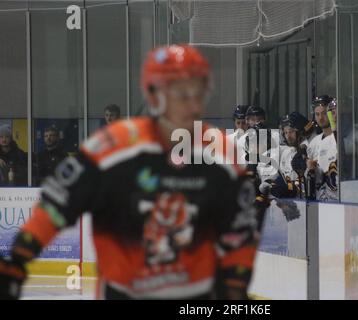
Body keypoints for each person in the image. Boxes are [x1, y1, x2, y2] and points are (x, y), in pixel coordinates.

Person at [0, 45, 260, 300]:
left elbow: (240, 230)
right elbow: (57, 203)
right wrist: (19, 258)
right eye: (182, 93)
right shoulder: (111, 148)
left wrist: (235, 284)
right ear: (154, 94)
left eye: (199, 91)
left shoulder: (222, 152)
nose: (193, 103)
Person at [306, 95, 338, 201]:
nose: (320, 118)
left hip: (338, 197)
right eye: (317, 114)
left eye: (324, 113)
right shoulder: (313, 143)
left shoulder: (339, 139)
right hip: (321, 199)